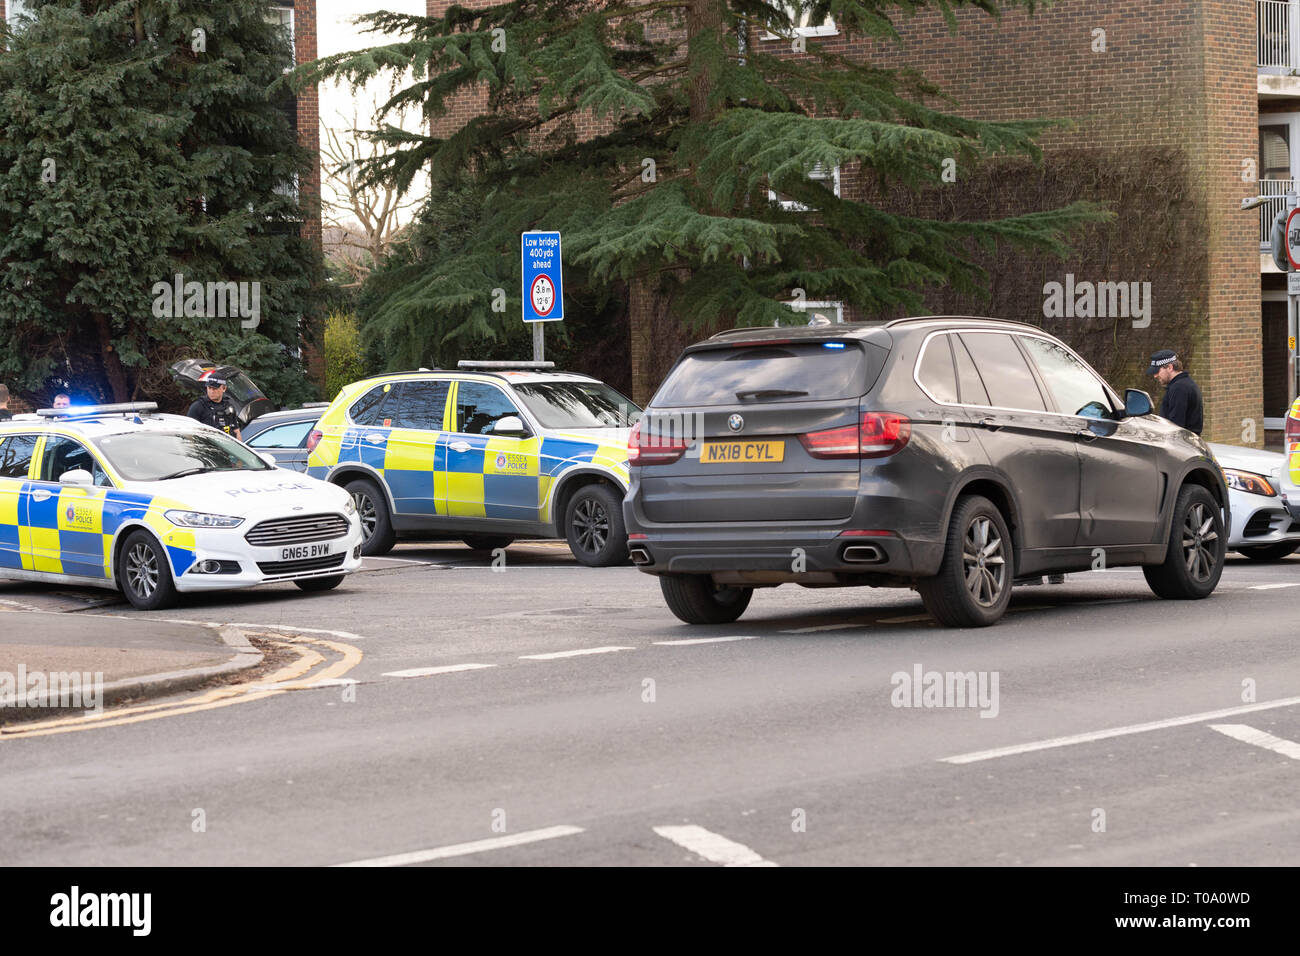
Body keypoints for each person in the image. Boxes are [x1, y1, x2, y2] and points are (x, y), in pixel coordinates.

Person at [1146, 349, 1203, 435]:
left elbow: (1174, 426)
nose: (1155, 375)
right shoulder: (1185, 384)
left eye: (1157, 371)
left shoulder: (1179, 388)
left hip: (1181, 445)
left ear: (1170, 367)